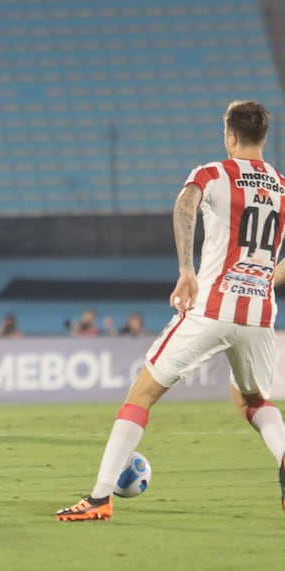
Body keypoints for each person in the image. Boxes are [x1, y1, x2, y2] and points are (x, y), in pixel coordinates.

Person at [57, 100, 285, 522]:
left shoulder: (213, 173)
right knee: (254, 401)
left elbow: (185, 205)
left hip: (212, 308)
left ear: (230, 136)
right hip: (258, 315)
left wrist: (186, 270)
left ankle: (100, 497)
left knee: (141, 395)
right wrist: (264, 276)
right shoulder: (282, 185)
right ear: (264, 138)